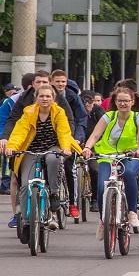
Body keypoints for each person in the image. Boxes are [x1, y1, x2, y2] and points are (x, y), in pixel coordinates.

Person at [4, 85, 82, 234]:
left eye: (48, 96)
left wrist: (65, 148)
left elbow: (64, 132)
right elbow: (19, 132)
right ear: (36, 98)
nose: (45, 99)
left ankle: (53, 194)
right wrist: (12, 146)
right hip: (31, 150)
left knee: (53, 159)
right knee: (26, 185)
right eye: (41, 96)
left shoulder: (59, 112)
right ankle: (27, 222)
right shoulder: (29, 112)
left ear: (53, 98)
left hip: (52, 147)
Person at [82, 87, 139, 239]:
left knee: (130, 173)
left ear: (132, 102)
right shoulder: (109, 116)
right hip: (108, 155)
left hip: (131, 155)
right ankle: (103, 220)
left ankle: (132, 212)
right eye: (120, 101)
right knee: (101, 186)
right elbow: (95, 134)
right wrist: (87, 147)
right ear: (115, 102)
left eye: (126, 101)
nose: (123, 104)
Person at [51, 70, 88, 220]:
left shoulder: (72, 97)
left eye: (63, 82)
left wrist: (77, 138)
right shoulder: (44, 95)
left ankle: (72, 203)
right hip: (50, 139)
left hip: (69, 138)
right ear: (51, 81)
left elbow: (81, 118)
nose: (60, 84)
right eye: (57, 81)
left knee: (69, 168)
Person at [2, 73, 35, 226]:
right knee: (16, 178)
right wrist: (5, 140)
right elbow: (6, 121)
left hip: (43, 144)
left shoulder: (52, 100)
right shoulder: (14, 101)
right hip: (19, 144)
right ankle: (17, 213)